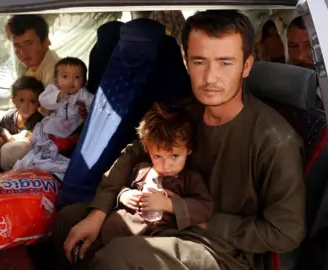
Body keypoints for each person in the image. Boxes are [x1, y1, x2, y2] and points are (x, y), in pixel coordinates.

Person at [54, 10, 305, 270]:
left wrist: (197, 217)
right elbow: (132, 153)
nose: (210, 77)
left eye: (225, 62)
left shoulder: (275, 141)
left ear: (247, 65)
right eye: (199, 62)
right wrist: (99, 212)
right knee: (68, 220)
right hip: (161, 220)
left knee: (118, 258)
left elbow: (284, 232)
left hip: (222, 249)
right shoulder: (184, 113)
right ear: (186, 62)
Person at [100, 103, 213, 246]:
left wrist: (168, 204)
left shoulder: (189, 178)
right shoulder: (142, 170)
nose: (165, 166)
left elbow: (205, 208)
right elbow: (124, 185)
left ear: (188, 150)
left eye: (174, 156)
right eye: (157, 157)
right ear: (147, 150)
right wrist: (124, 195)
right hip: (127, 227)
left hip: (163, 236)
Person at [39, 57, 93, 153]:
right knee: (48, 140)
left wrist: (87, 111)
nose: (71, 81)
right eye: (65, 76)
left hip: (74, 130)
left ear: (83, 81)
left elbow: (93, 104)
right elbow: (43, 100)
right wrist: (57, 96)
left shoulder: (82, 93)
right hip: (54, 129)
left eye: (77, 77)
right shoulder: (53, 89)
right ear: (56, 80)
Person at [0, 76, 45, 171]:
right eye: (21, 100)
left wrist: (12, 138)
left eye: (32, 101)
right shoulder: (10, 117)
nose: (26, 106)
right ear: (14, 100)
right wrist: (5, 133)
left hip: (24, 162)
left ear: (38, 104)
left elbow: (32, 141)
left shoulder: (38, 121)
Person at [5, 14, 60, 86]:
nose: (23, 52)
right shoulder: (33, 69)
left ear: (46, 42)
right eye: (17, 46)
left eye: (29, 43)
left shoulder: (56, 77)